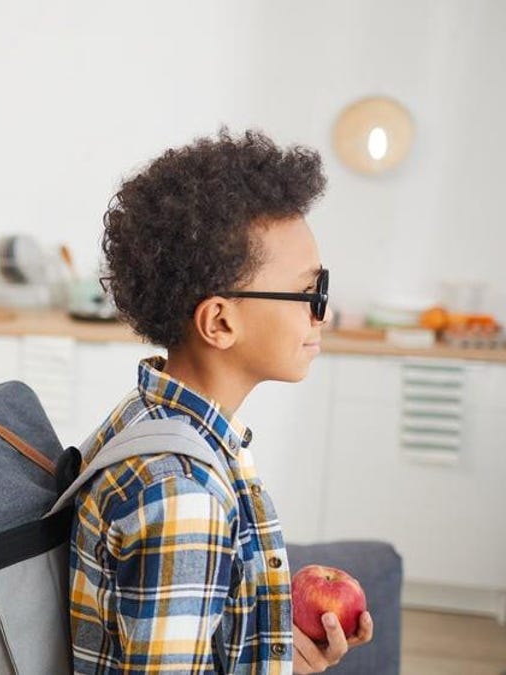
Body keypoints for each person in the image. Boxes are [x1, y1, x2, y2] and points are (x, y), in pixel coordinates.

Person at [68, 130, 374, 674]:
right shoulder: (183, 493)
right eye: (311, 293)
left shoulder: (143, 417)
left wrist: (282, 661)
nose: (321, 314)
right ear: (220, 321)